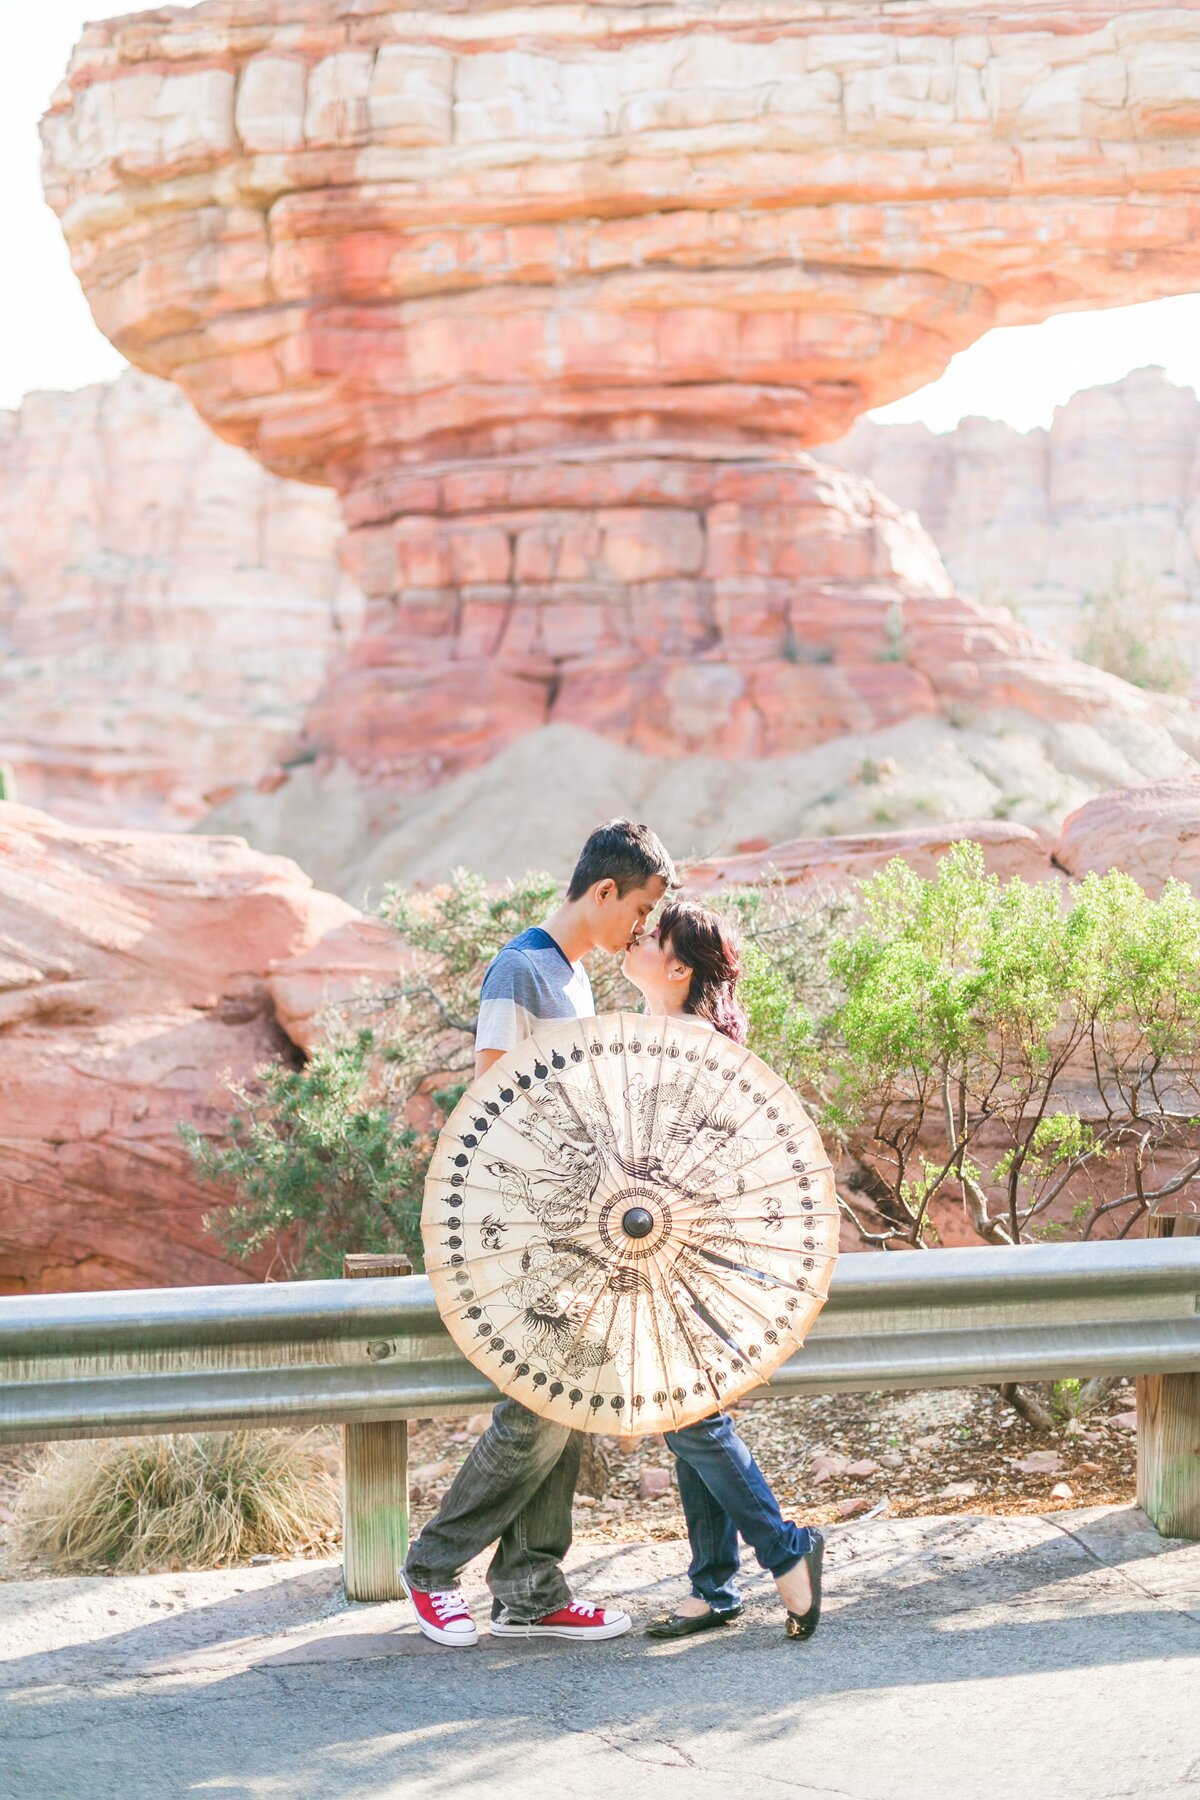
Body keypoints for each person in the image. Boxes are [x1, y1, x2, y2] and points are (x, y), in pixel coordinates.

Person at [402, 818, 678, 1648]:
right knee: (533, 1414)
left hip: (577, 1229)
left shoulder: (575, 980)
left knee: (575, 1397)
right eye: (640, 909)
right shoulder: (521, 970)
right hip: (524, 1230)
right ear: (604, 892)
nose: (643, 928)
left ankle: (529, 1587)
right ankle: (432, 1568)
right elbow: (496, 1099)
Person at [622, 899, 825, 1643]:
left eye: (651, 938)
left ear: (676, 967)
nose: (637, 943)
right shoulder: (673, 1037)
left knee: (692, 1419)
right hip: (680, 1252)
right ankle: (713, 1587)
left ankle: (785, 1549)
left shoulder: (681, 1045)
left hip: (688, 1256)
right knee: (686, 1416)